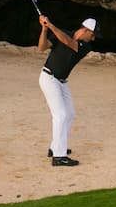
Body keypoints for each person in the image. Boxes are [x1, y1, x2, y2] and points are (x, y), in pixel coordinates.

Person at [37, 13, 97, 167]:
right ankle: (58, 156)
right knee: (61, 115)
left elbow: (68, 42)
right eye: (93, 35)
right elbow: (41, 47)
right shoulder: (62, 33)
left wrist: (50, 25)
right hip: (49, 79)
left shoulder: (85, 46)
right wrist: (44, 29)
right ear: (86, 31)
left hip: (62, 82)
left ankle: (55, 147)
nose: (94, 38)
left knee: (69, 114)